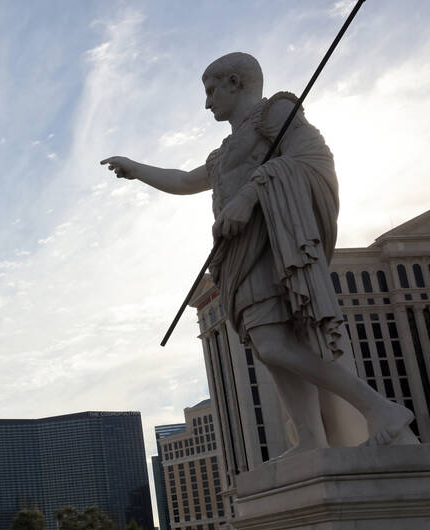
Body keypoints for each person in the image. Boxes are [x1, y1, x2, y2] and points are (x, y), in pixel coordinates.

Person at [102, 52, 418, 453]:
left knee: (273, 344)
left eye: (212, 90)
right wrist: (135, 168)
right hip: (238, 256)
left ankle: (379, 408)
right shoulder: (222, 153)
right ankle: (310, 439)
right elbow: (184, 180)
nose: (207, 102)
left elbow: (312, 161)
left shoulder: (277, 111)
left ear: (235, 82)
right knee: (271, 347)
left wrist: (250, 196)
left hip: (274, 248)